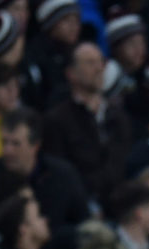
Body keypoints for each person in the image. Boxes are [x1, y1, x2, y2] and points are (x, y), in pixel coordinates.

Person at [43, 42, 131, 210]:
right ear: (71, 73)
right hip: (80, 207)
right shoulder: (57, 120)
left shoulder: (119, 117)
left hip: (119, 206)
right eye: (90, 63)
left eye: (101, 62)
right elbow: (60, 174)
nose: (99, 68)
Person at [0, 108, 90, 232]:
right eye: (4, 142)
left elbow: (83, 222)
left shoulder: (63, 175)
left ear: (35, 146)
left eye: (16, 144)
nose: (7, 151)